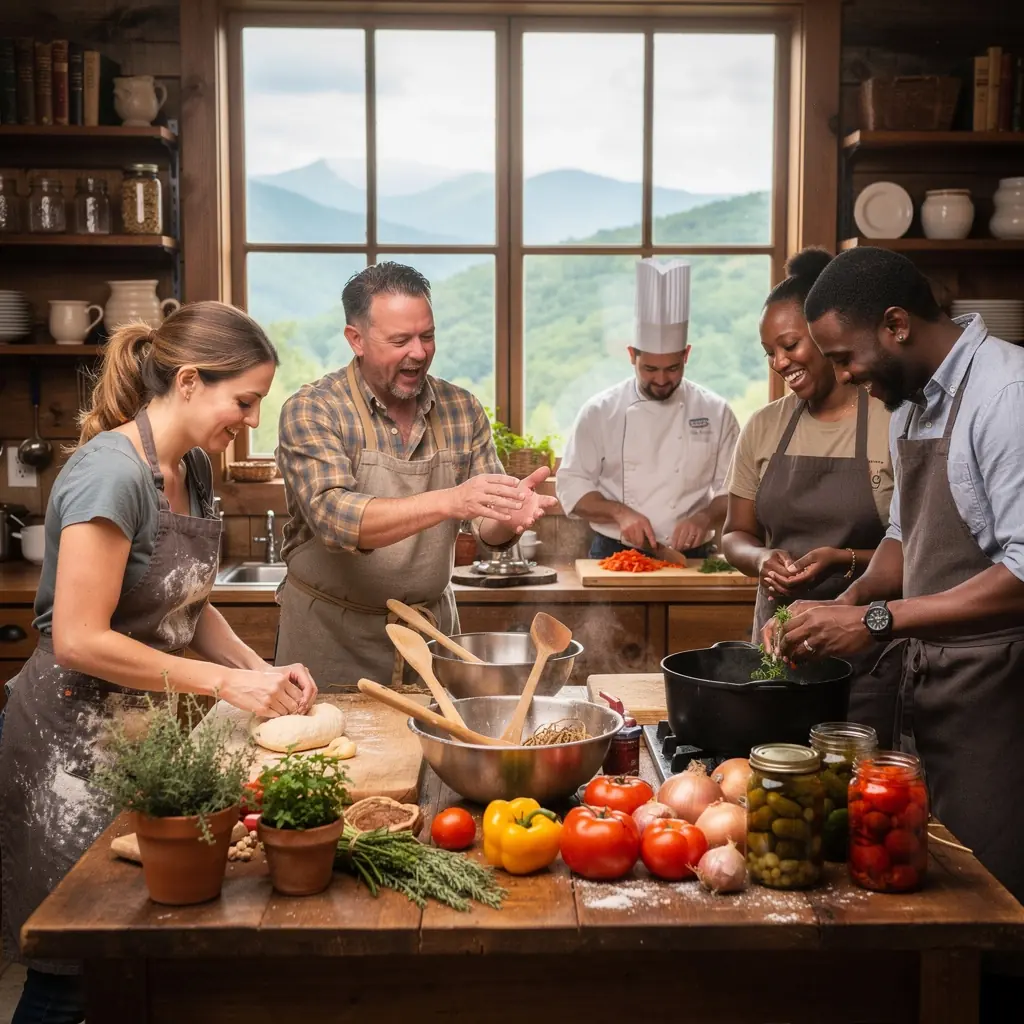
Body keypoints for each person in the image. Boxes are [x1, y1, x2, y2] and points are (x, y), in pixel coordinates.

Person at [0, 301, 317, 1024]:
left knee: (142, 951)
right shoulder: (109, 475)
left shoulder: (192, 467)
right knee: (77, 965)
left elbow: (183, 601)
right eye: (245, 401)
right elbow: (80, 637)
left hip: (140, 737)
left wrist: (261, 670)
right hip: (70, 749)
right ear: (187, 381)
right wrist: (228, 683)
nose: (251, 420)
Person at [768, 246, 1024, 917]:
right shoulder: (913, 403)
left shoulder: (1006, 395)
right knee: (930, 893)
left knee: (991, 901)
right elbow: (906, 541)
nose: (847, 377)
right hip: (927, 686)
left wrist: (876, 622)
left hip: (999, 694)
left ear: (896, 325)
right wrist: (840, 606)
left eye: (847, 358)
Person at [275, 262, 556, 690]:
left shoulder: (461, 408)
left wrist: (510, 516)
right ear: (356, 339)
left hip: (431, 637)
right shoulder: (314, 409)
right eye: (400, 340)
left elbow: (487, 526)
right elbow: (336, 519)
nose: (420, 352)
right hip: (330, 640)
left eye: (427, 336)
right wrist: (451, 500)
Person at [721, 248, 901, 741]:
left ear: (825, 334)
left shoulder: (892, 420)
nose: (779, 363)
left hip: (869, 656)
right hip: (779, 648)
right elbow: (735, 533)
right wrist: (760, 559)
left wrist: (843, 560)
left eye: (790, 345)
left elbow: (918, 548)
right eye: (769, 353)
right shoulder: (764, 426)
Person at [557, 258, 739, 559]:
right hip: (616, 553)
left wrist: (704, 518)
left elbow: (733, 490)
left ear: (687, 355)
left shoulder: (716, 411)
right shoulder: (600, 411)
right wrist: (619, 513)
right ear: (632, 355)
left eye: (672, 368)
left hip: (694, 555)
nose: (661, 380)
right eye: (650, 368)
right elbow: (571, 486)